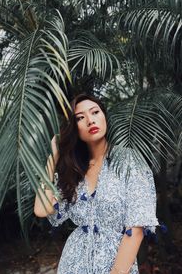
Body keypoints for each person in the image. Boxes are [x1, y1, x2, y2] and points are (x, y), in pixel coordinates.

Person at [34, 93, 159, 274]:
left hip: (117, 265)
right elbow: (41, 209)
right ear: (74, 128)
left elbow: (137, 228)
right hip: (73, 264)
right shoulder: (74, 171)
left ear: (104, 117)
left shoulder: (128, 160)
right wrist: (53, 156)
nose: (90, 120)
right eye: (80, 118)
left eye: (95, 112)